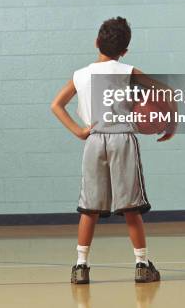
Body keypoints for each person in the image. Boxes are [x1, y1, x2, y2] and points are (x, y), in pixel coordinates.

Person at [50, 16, 175, 284]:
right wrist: (171, 125)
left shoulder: (80, 75)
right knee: (131, 206)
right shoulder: (129, 71)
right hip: (123, 139)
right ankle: (142, 265)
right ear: (125, 51)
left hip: (94, 140)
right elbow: (167, 92)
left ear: (96, 42)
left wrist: (78, 131)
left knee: (89, 207)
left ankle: (80, 267)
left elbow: (56, 105)